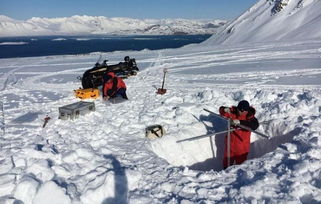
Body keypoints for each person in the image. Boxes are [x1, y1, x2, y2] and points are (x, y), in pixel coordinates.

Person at [219, 100, 259, 169]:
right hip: (230, 146)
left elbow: (255, 125)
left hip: (242, 149)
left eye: (243, 111)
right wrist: (224, 109)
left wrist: (240, 122)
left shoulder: (250, 117)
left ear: (247, 110)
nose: (240, 112)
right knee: (226, 165)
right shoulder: (233, 113)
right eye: (239, 110)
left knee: (240, 168)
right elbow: (222, 111)